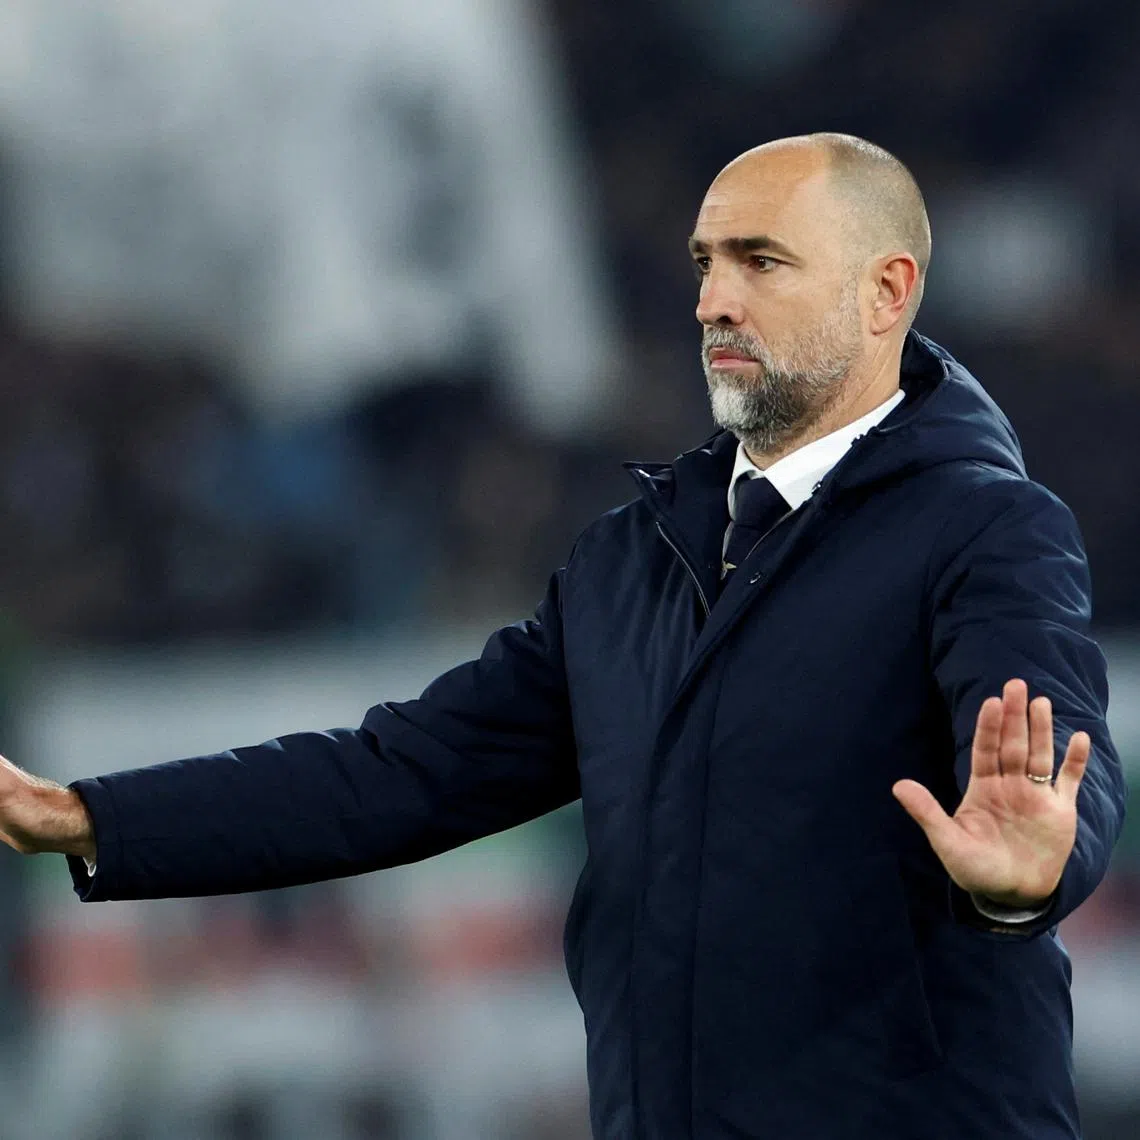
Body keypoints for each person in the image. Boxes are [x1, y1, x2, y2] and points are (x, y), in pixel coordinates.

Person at [0, 133, 1126, 1139]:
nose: (713, 303)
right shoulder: (631, 562)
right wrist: (89, 818)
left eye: (761, 262)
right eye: (704, 264)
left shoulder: (983, 524)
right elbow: (398, 775)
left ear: (888, 292)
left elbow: (1053, 748)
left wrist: (1031, 877)